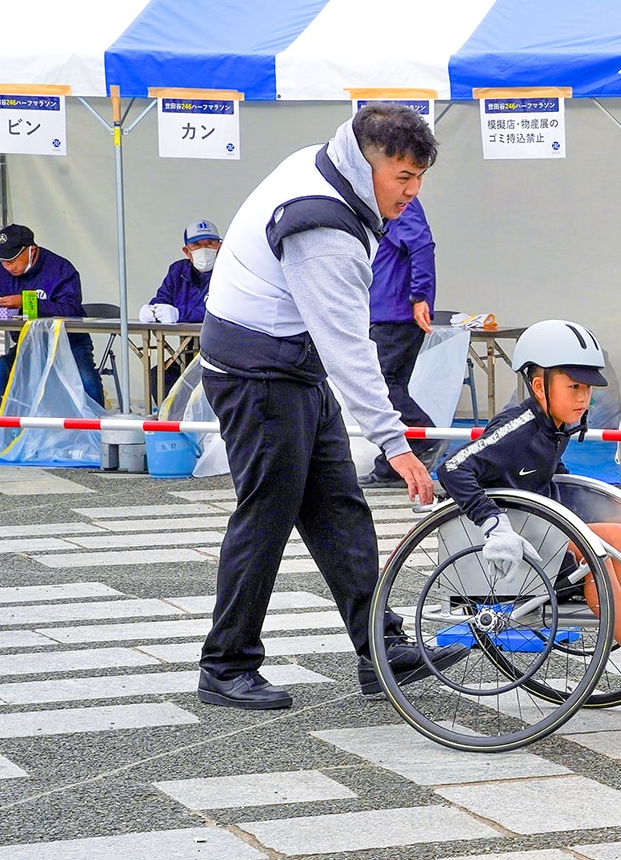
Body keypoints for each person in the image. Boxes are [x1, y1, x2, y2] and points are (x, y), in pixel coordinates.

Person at [194, 104, 466, 710]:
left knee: (340, 510)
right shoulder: (323, 229)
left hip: (291, 363)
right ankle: (226, 664)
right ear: (368, 164)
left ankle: (381, 650)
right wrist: (395, 444)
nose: (413, 192)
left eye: (420, 178)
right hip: (257, 372)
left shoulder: (325, 163)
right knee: (266, 514)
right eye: (403, 178)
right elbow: (350, 349)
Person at [440, 320, 621, 700]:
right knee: (597, 551)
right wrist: (493, 522)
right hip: (513, 547)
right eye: (574, 387)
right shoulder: (519, 427)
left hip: (542, 535)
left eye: (587, 388)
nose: (584, 397)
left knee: (617, 534)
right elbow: (452, 468)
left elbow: (550, 474)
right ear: (540, 386)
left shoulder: (554, 428)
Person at [0, 224, 103, 413]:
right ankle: (1, 425)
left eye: (11, 260)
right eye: (2, 260)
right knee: (2, 367)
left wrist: (25, 302)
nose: (7, 266)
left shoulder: (61, 269)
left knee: (87, 379)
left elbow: (71, 309)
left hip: (68, 341)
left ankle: (99, 426)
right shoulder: (1, 271)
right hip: (29, 342)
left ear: (31, 250)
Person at [359, 198, 443, 487]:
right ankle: (395, 462)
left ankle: (421, 439)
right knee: (389, 385)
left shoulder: (397, 201)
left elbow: (422, 245)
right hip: (388, 310)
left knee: (382, 384)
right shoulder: (383, 204)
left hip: (394, 312)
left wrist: (420, 296)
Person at [139, 219, 221, 397]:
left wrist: (180, 314)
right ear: (186, 251)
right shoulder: (178, 271)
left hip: (222, 356)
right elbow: (163, 298)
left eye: (209, 243)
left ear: (220, 247)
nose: (204, 249)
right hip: (187, 354)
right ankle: (170, 415)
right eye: (197, 245)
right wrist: (152, 309)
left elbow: (221, 309)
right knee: (159, 376)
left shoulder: (231, 271)